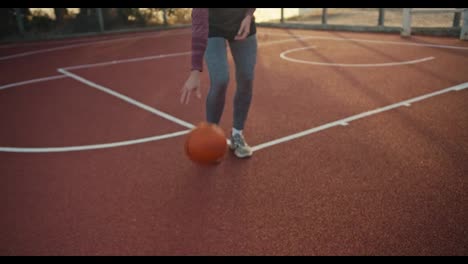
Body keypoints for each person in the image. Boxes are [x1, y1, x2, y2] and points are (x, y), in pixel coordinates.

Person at [180, 8, 257, 158]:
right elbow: (199, 25)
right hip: (213, 26)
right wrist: (195, 71)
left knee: (247, 77)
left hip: (241, 21)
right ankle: (210, 137)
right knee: (220, 79)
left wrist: (248, 16)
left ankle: (237, 135)